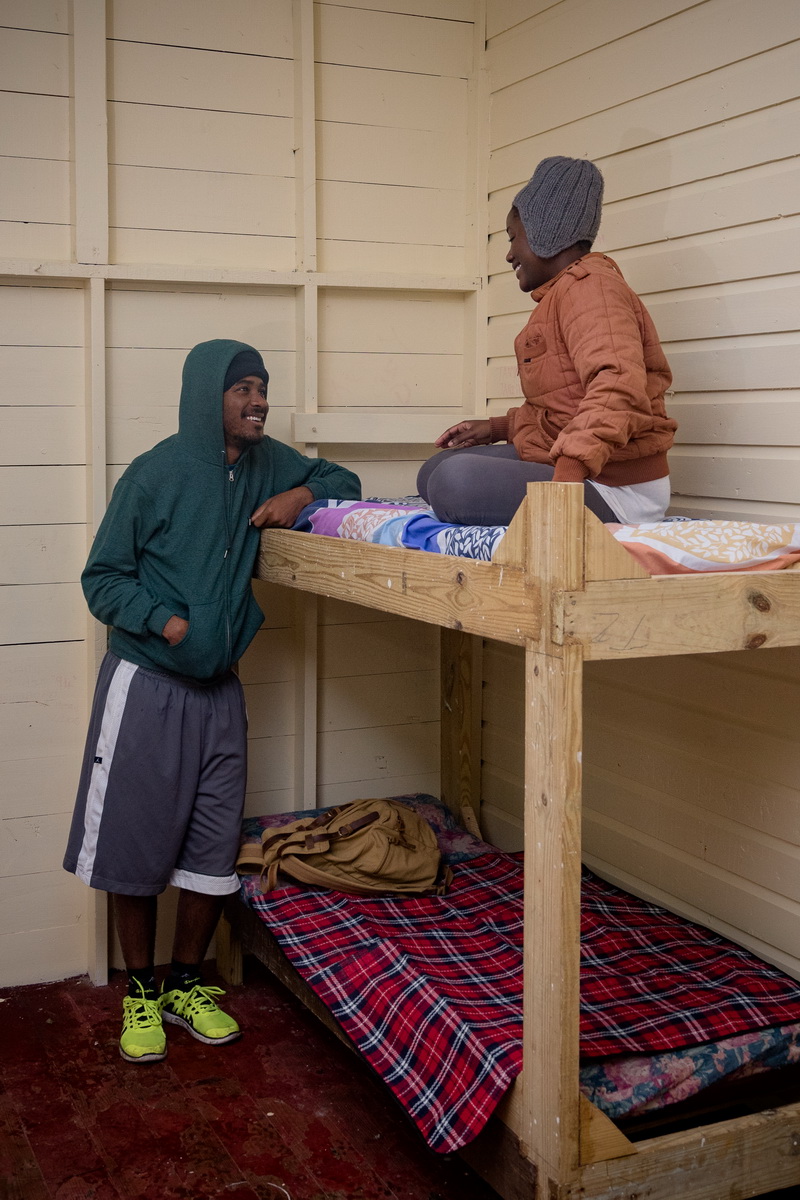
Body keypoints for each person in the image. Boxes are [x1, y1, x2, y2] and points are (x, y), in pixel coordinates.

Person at [64, 338, 361, 1064]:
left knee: (211, 846)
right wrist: (167, 622)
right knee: (134, 843)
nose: (259, 400)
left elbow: (344, 478)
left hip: (221, 694)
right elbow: (101, 577)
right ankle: (140, 992)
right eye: (243, 389)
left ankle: (185, 984)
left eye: (262, 387)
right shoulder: (154, 474)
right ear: (209, 398)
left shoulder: (266, 463)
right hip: (147, 688)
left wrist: (302, 495)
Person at [418, 156, 677, 526]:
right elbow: (566, 402)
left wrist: (567, 480)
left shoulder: (593, 290)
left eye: (512, 238)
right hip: (579, 467)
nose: (509, 254)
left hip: (614, 486)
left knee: (453, 482)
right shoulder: (563, 293)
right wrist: (497, 428)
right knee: (435, 471)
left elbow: (618, 386)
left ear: (546, 231)